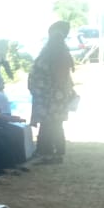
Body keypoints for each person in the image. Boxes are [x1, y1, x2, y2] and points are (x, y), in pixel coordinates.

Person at [28, 21, 76, 165]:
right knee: (55, 124)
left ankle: (46, 152)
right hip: (59, 95)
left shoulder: (48, 55)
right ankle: (55, 152)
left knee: (48, 124)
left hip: (48, 95)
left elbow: (41, 76)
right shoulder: (64, 55)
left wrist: (39, 91)